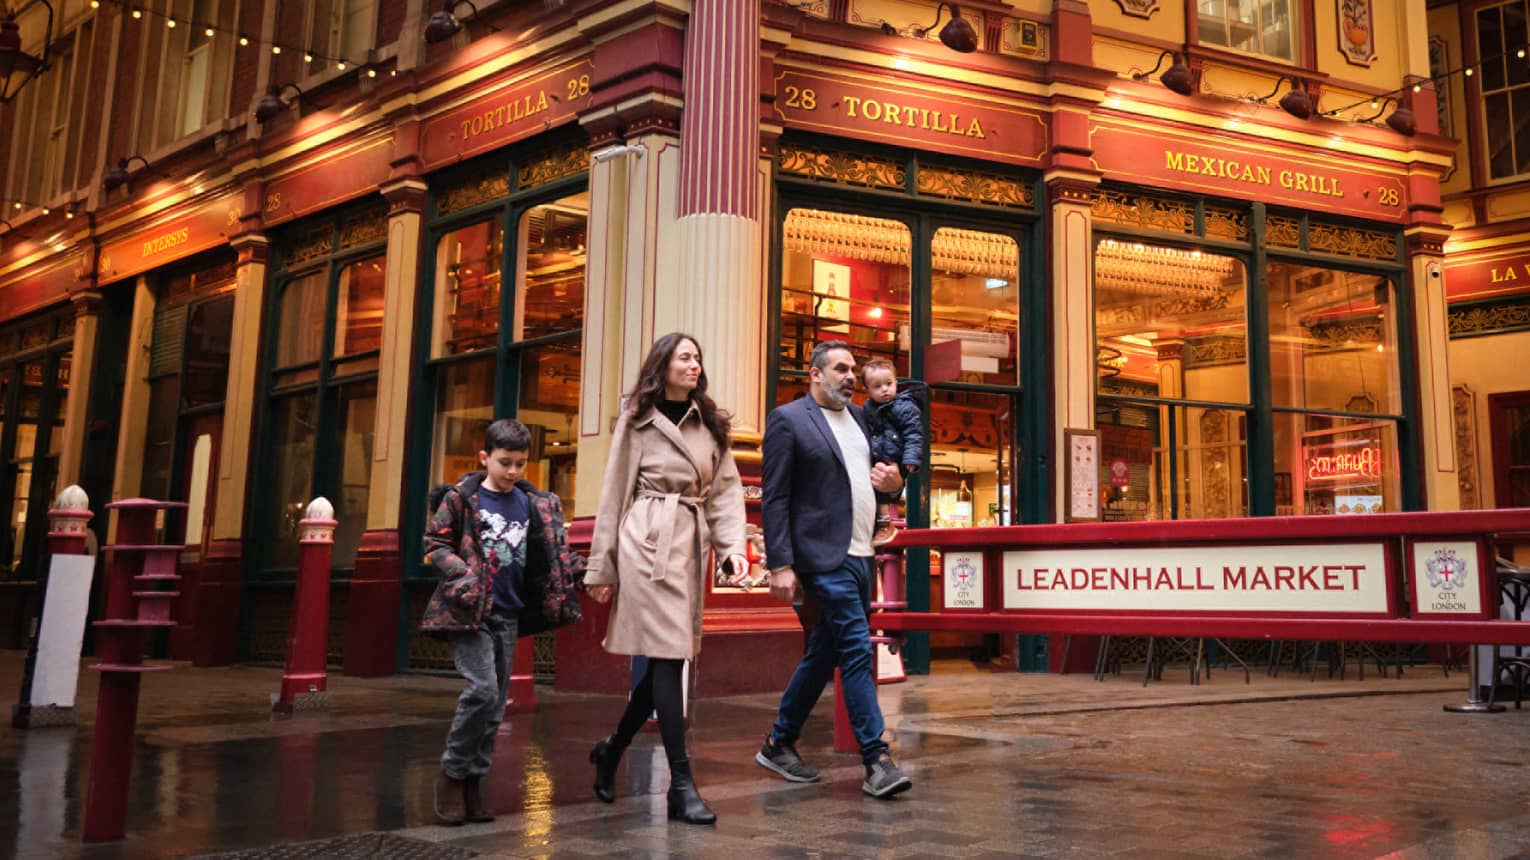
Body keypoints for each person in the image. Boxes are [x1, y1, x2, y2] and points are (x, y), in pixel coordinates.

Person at [583, 332, 750, 825]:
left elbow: (725, 493)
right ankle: (681, 783)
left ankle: (611, 750)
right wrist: (602, 566)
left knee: (665, 660)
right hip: (645, 543)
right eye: (684, 357)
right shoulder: (637, 422)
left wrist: (732, 549)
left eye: (698, 357)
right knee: (670, 659)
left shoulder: (711, 424)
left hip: (689, 546)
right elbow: (613, 494)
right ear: (663, 364)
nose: (694, 364)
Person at [755, 341, 914, 799]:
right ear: (814, 375)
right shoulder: (789, 420)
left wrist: (897, 481)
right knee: (857, 650)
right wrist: (780, 562)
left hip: (862, 553)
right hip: (823, 558)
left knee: (824, 652)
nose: (850, 376)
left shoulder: (863, 419)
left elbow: (888, 473)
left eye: (853, 370)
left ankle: (779, 742)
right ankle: (877, 760)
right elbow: (776, 496)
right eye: (841, 369)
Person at [421, 418, 584, 826]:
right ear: (485, 457)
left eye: (520, 464)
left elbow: (554, 555)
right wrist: (463, 576)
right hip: (470, 612)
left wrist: (588, 573)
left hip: (509, 614)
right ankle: (451, 773)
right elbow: (435, 542)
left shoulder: (535, 504)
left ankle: (474, 782)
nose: (512, 471)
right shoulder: (461, 498)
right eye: (504, 462)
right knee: (482, 689)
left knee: (494, 708)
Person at [860, 358, 926, 547]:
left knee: (882, 491)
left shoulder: (904, 406)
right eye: (877, 386)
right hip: (880, 454)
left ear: (896, 382)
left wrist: (911, 458)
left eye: (889, 384)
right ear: (868, 390)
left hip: (895, 456)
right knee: (876, 488)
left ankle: (885, 523)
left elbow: (914, 433)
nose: (885, 390)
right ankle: (880, 523)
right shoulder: (868, 408)